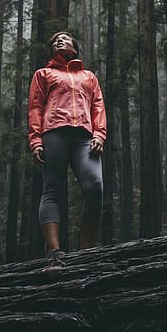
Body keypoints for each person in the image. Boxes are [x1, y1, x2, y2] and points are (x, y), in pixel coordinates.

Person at [28, 31, 106, 266]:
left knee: (94, 186)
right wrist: (36, 140)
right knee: (52, 189)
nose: (59, 41)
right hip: (54, 134)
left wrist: (100, 134)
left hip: (84, 136)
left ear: (75, 47)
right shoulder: (43, 74)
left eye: (65, 38)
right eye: (54, 41)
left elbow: (98, 106)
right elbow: (35, 108)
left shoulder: (89, 76)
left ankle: (86, 251)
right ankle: (54, 252)